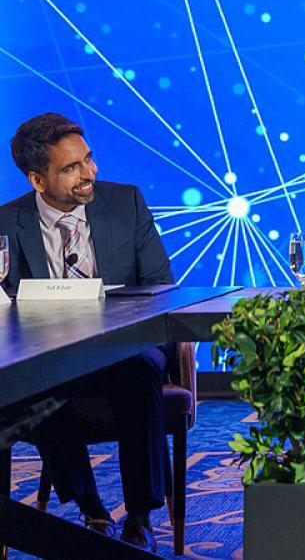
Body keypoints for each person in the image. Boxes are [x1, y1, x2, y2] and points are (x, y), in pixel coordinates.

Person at [0, 112, 172, 551]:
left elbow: (160, 283)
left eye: (89, 160)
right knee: (42, 382)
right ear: (38, 181)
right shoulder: (7, 224)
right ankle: (91, 510)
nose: (89, 174)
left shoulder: (125, 203)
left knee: (141, 372)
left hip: (124, 344)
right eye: (72, 168)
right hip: (48, 350)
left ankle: (140, 516)